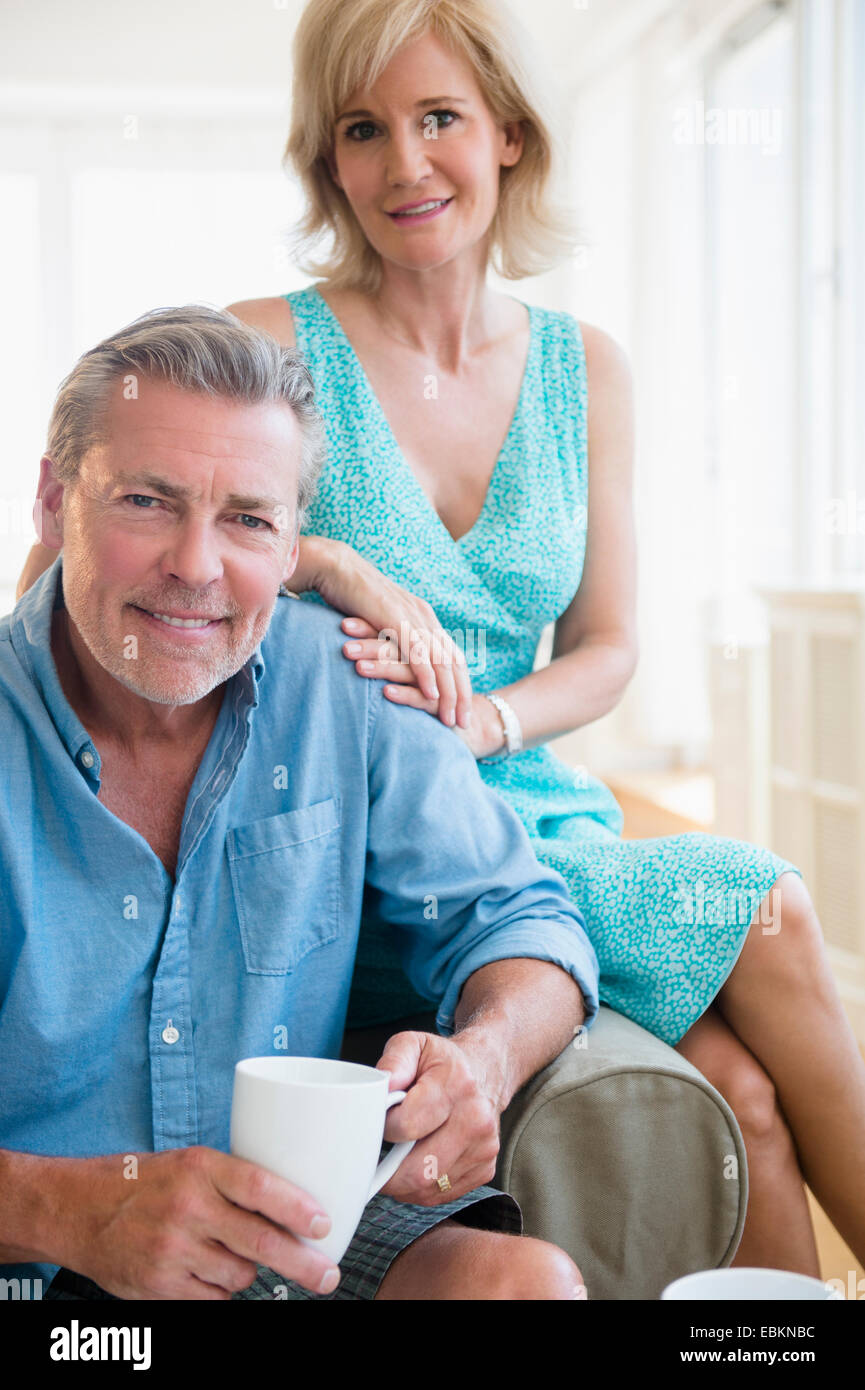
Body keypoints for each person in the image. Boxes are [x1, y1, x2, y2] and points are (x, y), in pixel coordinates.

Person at [17, 0, 865, 1274]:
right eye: (364, 129)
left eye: (438, 120)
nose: (404, 164)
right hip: (332, 786)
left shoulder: (588, 367)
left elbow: (612, 643)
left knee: (749, 1038)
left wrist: (489, 719)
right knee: (771, 924)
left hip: (507, 783)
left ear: (510, 135)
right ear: (327, 157)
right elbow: (107, 539)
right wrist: (329, 559)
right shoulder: (261, 341)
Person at [0, 305, 599, 1302]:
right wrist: (69, 1208)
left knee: (524, 1286)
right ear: (56, 498)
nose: (195, 566)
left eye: (246, 518)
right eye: (146, 501)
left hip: (295, 1234)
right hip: (29, 1257)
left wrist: (485, 1057)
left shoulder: (349, 684)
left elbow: (520, 916)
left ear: (292, 544)